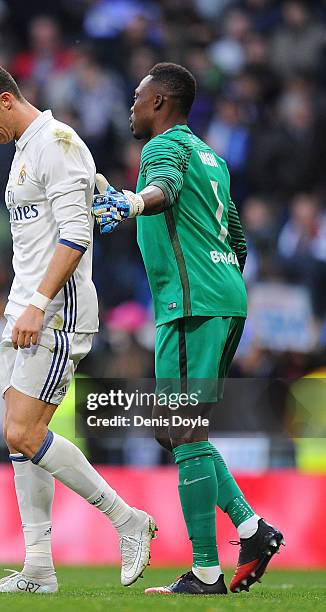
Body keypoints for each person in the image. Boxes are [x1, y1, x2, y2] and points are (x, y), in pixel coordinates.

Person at [0, 61, 157, 595]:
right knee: (21, 441)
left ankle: (127, 519)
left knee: (22, 431)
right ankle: (38, 567)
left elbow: (74, 234)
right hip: (23, 309)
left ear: (5, 100)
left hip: (55, 310)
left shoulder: (58, 142)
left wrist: (40, 303)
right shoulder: (25, 150)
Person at [92, 62, 284, 595]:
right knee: (177, 430)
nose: (131, 105)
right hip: (221, 300)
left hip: (191, 306)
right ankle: (251, 529)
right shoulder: (214, 158)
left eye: (136, 96)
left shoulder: (161, 149)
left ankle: (206, 569)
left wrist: (133, 201)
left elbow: (165, 188)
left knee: (183, 431)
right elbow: (238, 242)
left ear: (159, 102)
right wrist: (217, 283)